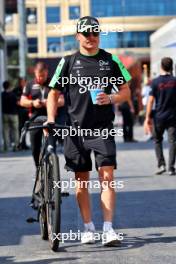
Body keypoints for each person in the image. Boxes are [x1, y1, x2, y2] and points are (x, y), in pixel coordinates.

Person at [46, 16, 131, 246]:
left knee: (107, 177)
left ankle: (108, 229)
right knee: (81, 180)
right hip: (75, 131)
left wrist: (111, 97)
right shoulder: (67, 62)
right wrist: (52, 119)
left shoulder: (111, 60)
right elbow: (53, 93)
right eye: (86, 33)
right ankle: (88, 228)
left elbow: (125, 92)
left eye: (95, 33)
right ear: (78, 36)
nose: (91, 37)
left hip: (103, 129)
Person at [144, 57, 176, 175]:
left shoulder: (155, 82)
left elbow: (150, 101)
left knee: (157, 140)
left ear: (161, 67)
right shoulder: (175, 81)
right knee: (173, 141)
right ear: (171, 66)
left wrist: (147, 118)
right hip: (173, 117)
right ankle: (171, 168)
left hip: (159, 117)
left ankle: (161, 165)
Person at [20, 62, 50, 167]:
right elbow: (22, 101)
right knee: (35, 148)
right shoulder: (29, 84)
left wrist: (49, 102)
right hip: (35, 118)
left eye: (44, 76)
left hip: (50, 117)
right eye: (39, 76)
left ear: (47, 73)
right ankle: (38, 167)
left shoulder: (54, 83)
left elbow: (62, 100)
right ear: (35, 73)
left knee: (51, 145)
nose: (41, 78)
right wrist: (33, 103)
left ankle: (52, 166)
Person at [2, 80, 19, 151]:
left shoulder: (2, 94)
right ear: (9, 86)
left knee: (5, 131)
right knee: (15, 131)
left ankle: (6, 147)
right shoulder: (13, 94)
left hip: (5, 114)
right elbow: (17, 103)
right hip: (14, 115)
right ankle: (16, 146)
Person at [14, 77, 29, 150]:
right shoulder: (16, 90)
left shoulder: (27, 89)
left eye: (24, 82)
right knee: (20, 128)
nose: (23, 83)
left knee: (26, 127)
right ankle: (20, 144)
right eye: (22, 82)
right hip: (20, 112)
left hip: (28, 111)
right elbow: (17, 102)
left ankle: (24, 144)